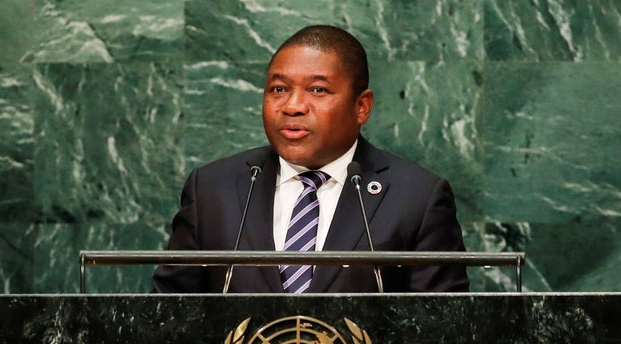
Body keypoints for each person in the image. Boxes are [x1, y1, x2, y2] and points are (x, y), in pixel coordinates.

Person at [152, 25, 469, 293]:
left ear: (362, 107)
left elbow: (441, 336)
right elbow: (165, 318)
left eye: (318, 90)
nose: (292, 106)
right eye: (278, 89)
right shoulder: (212, 189)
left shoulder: (417, 197)